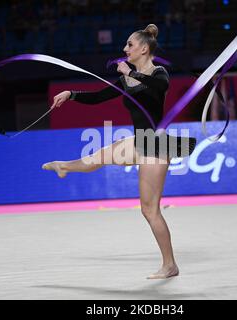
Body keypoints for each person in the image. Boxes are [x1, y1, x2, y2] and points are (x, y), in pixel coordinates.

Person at [43, 24, 196, 279]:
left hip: (155, 145)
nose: (125, 49)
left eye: (130, 45)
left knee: (149, 210)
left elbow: (154, 93)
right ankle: (64, 166)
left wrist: (129, 73)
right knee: (97, 157)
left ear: (144, 48)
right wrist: (70, 94)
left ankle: (170, 265)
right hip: (139, 140)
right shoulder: (128, 76)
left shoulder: (160, 74)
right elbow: (99, 97)